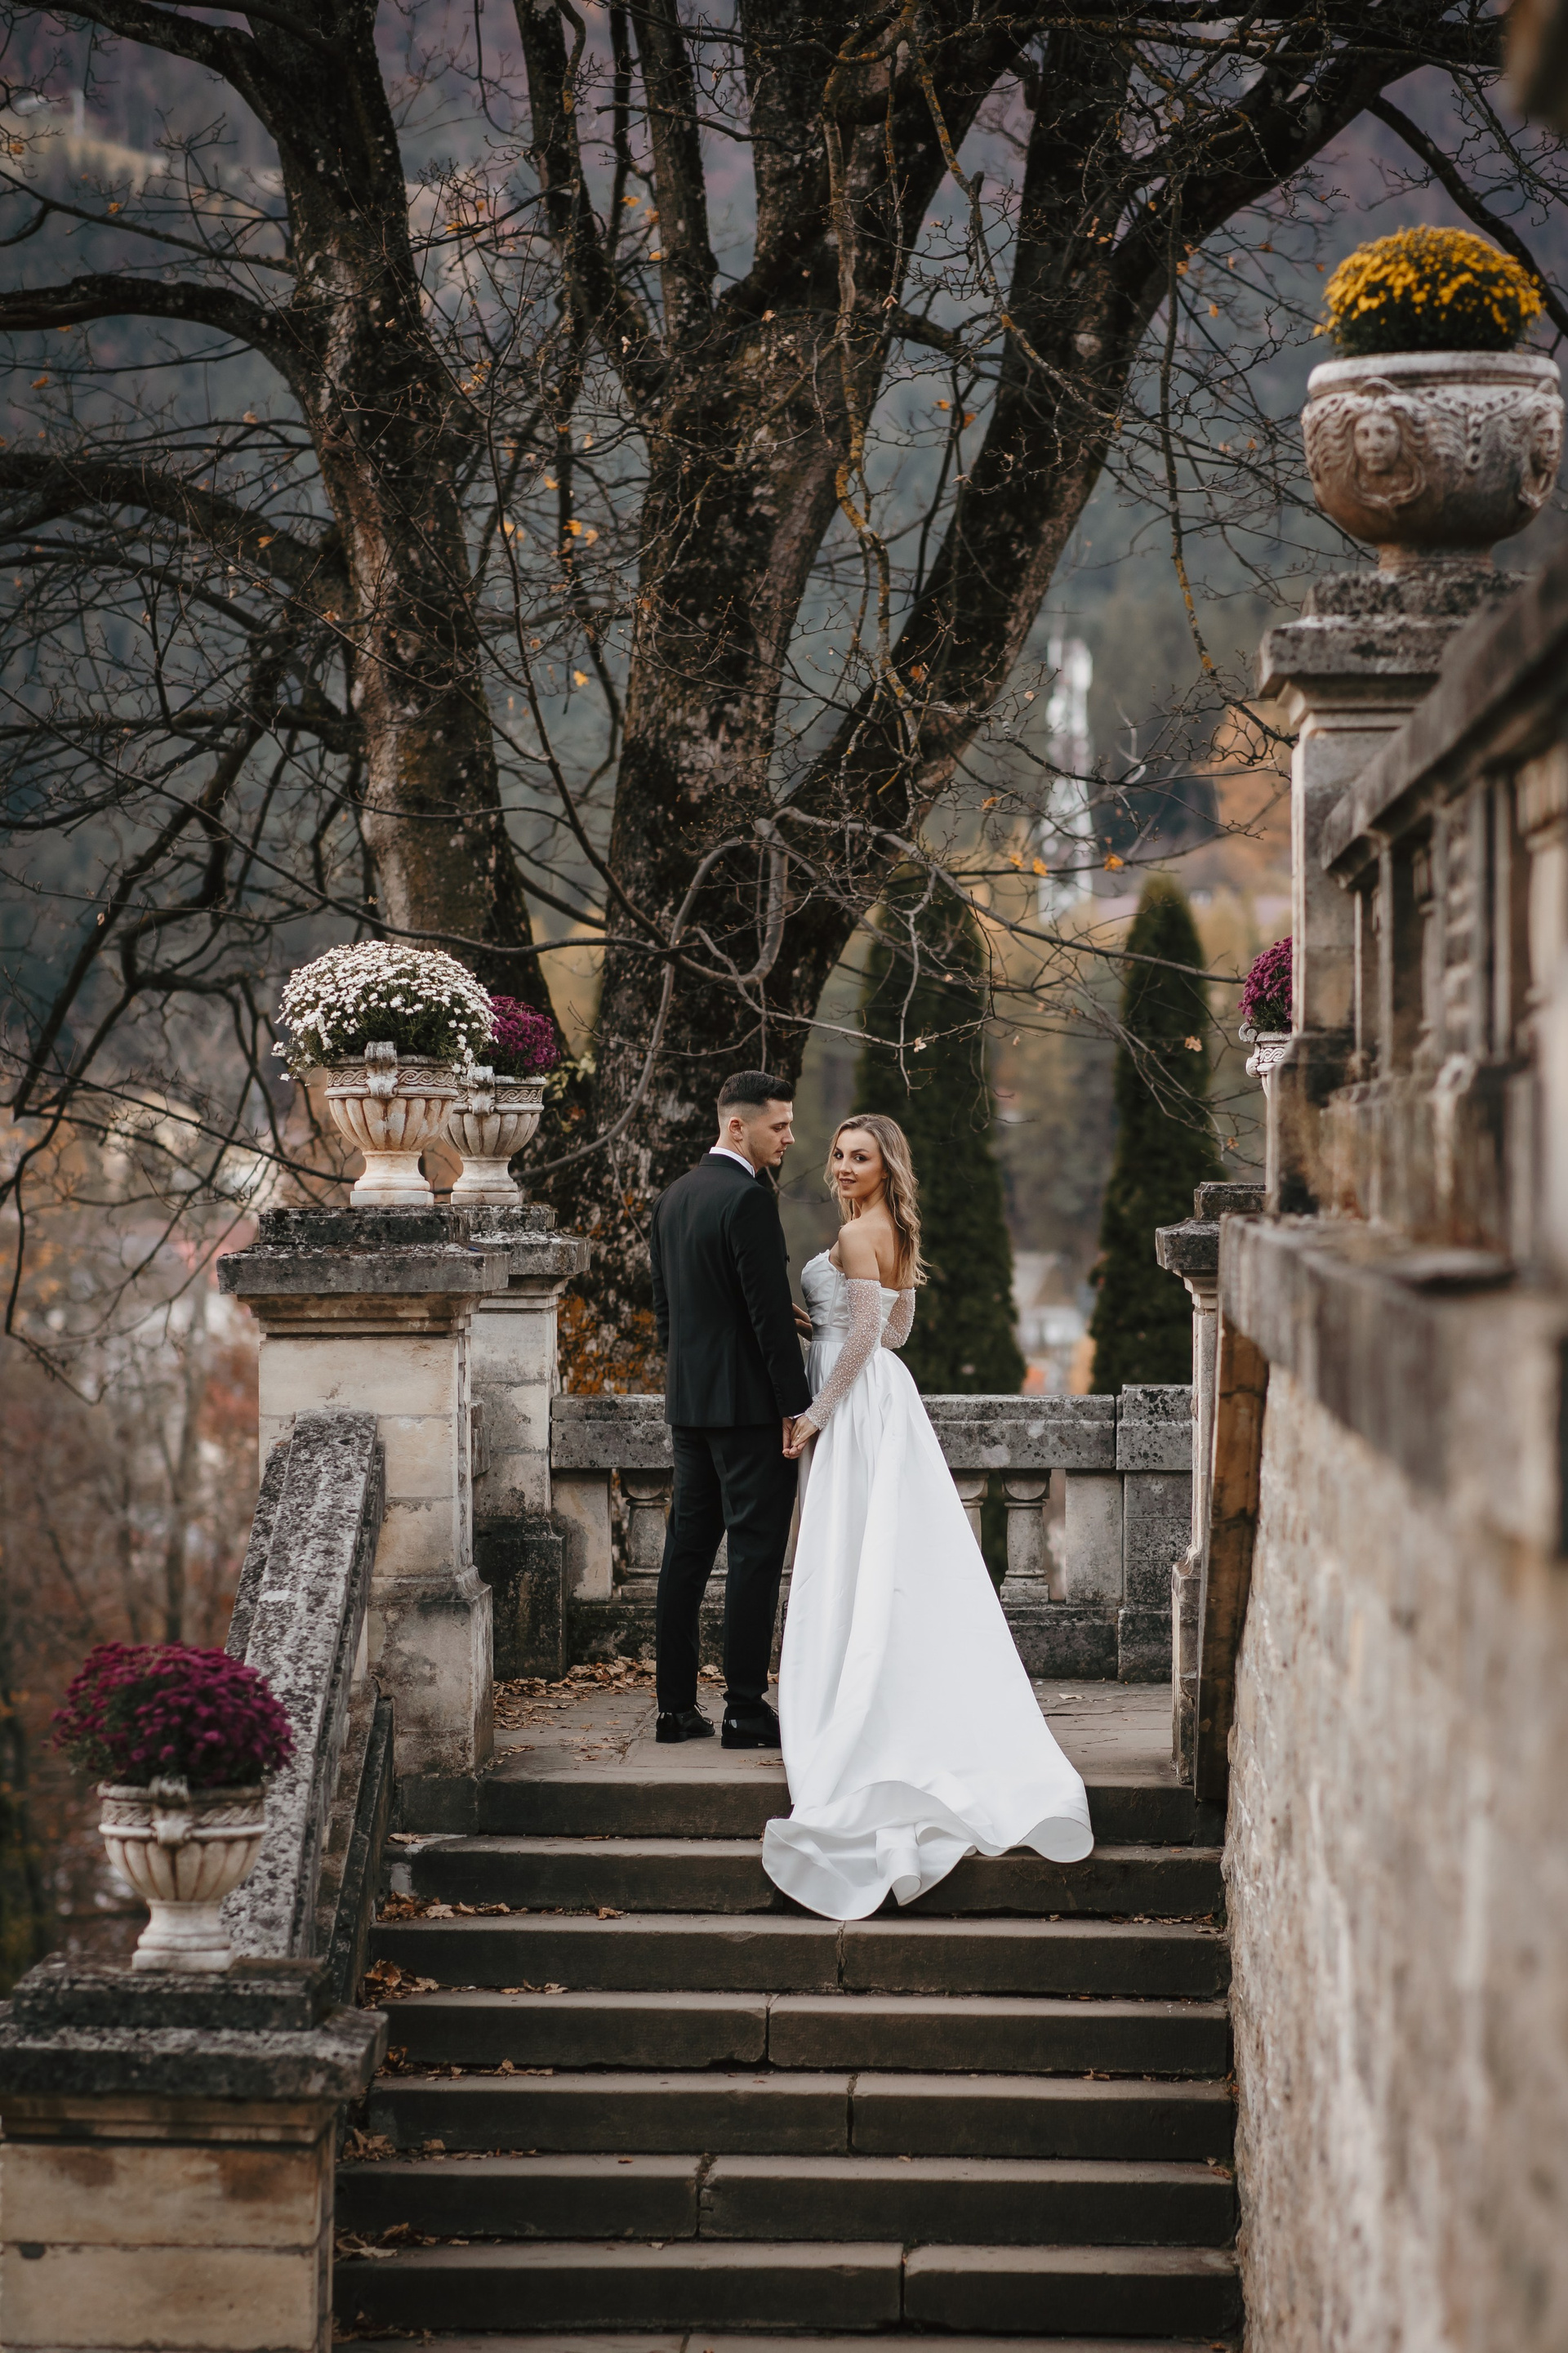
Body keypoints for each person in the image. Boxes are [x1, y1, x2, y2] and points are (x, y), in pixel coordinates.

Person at [762, 1112, 1094, 1918]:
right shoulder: (889, 1231)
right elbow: (896, 1330)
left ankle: (855, 1700)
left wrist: (813, 1416)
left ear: (886, 1167)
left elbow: (865, 1340)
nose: (844, 1167)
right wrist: (820, 1323)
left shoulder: (858, 1235)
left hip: (854, 1406)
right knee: (881, 1552)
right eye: (838, 1154)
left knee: (852, 1548)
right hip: (887, 1398)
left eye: (860, 1157)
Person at [648, 1070, 813, 1749]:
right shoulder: (747, 1199)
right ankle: (745, 1707)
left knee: (686, 1555)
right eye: (780, 1125)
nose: (790, 1137)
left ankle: (674, 1708)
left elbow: (667, 1313)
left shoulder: (673, 1197)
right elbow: (766, 1319)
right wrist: (795, 1407)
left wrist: (688, 1384)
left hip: (690, 1406)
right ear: (737, 1126)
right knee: (753, 1554)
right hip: (747, 1412)